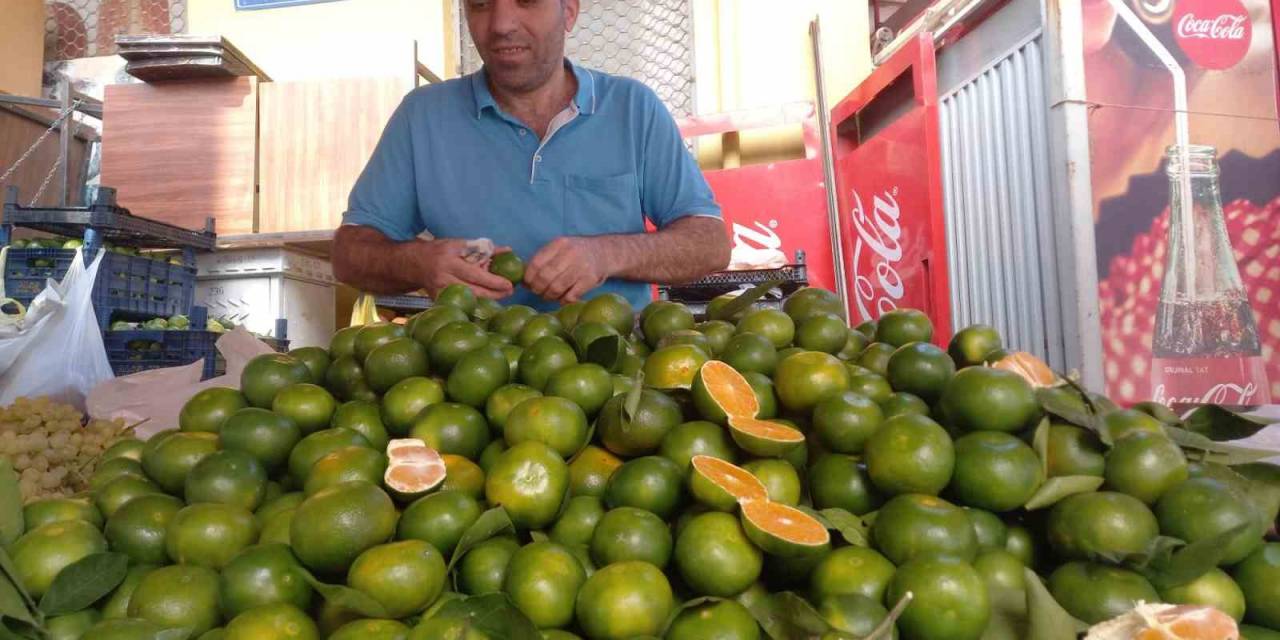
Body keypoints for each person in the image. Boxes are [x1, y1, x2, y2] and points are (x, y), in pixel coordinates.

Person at [332, 0, 731, 311]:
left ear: (569, 11)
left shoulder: (632, 107)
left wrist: (607, 253)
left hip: (614, 373)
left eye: (526, 1)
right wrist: (418, 262)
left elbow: (710, 243)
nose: (501, 25)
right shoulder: (422, 116)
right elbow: (349, 255)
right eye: (481, 4)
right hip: (471, 375)